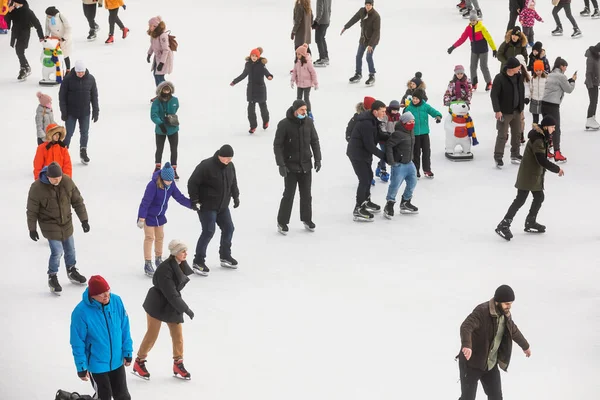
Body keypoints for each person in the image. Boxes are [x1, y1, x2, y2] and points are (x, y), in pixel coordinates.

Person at [456, 285, 531, 399]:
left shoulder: (505, 316)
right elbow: (466, 326)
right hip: (471, 363)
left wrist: (525, 346)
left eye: (510, 303)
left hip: (490, 365)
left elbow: (513, 331)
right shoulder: (481, 311)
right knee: (467, 398)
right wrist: (467, 345)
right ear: (497, 301)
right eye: (506, 303)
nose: (509, 307)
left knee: (496, 397)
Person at [133, 240, 194, 380]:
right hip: (157, 303)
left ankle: (178, 363)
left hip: (171, 304)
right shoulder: (165, 269)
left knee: (177, 335)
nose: (186, 254)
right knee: (152, 334)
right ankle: (139, 362)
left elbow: (173, 294)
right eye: (183, 251)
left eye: (185, 251)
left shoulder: (180, 264)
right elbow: (171, 293)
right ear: (175, 253)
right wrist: (186, 309)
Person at [495, 116, 564, 240]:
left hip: (533, 174)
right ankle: (504, 224)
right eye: (552, 127)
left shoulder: (542, 137)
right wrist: (557, 169)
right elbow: (541, 160)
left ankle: (530, 222)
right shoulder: (538, 139)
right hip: (528, 174)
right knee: (520, 199)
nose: (553, 130)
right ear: (546, 127)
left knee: (539, 197)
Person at [26, 162, 88, 294]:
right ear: (47, 176)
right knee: (57, 251)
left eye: (59, 177)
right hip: (49, 224)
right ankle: (52, 276)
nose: (57, 180)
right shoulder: (37, 187)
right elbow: (31, 211)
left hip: (66, 222)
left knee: (70, 249)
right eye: (54, 178)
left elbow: (77, 201)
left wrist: (84, 220)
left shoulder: (66, 181)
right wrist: (32, 229)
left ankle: (71, 270)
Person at [70, 275, 133, 400]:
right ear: (92, 296)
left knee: (123, 396)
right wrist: (81, 366)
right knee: (104, 397)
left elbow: (124, 328)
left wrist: (127, 351)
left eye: (107, 291)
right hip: (96, 364)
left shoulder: (116, 301)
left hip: (116, 361)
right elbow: (77, 342)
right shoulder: (80, 312)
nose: (106, 295)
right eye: (101, 294)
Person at [187, 145, 240, 276]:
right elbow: (192, 182)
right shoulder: (206, 166)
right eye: (226, 158)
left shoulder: (230, 166)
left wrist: (236, 196)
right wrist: (194, 200)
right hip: (207, 206)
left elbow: (233, 182)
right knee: (208, 232)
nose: (228, 160)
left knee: (229, 228)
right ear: (219, 156)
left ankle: (225, 256)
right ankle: (198, 261)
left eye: (230, 158)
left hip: (222, 206)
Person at [273, 99, 322, 235]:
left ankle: (307, 219)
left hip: (306, 164)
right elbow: (277, 145)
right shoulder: (284, 124)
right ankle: (282, 222)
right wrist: (281, 164)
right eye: (302, 110)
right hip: (290, 166)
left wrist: (318, 159)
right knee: (289, 194)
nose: (304, 112)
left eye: (305, 110)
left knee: (306, 194)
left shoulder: (309, 123)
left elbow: (314, 141)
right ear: (295, 110)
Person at [137, 163, 192, 277]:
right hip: (149, 216)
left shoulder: (171, 185)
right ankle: (147, 262)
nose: (170, 182)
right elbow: (145, 202)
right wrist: (141, 217)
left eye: (171, 180)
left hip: (160, 216)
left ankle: (158, 259)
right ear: (162, 178)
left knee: (160, 237)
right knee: (149, 237)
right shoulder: (153, 185)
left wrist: (192, 205)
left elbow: (179, 197)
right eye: (167, 180)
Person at [346, 98, 387, 221]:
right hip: (357, 154)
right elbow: (370, 145)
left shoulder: (373, 121)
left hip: (364, 154)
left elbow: (378, 135)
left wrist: (392, 136)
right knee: (364, 180)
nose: (384, 113)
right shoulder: (366, 123)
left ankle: (366, 201)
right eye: (382, 111)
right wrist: (385, 157)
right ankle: (358, 208)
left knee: (369, 177)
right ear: (375, 112)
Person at [59, 60, 99, 164]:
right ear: (75, 71)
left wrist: (96, 110)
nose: (80, 74)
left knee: (84, 133)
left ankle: (83, 151)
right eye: (78, 72)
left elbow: (94, 96)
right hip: (71, 112)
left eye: (82, 72)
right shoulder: (68, 79)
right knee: (68, 133)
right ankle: (62, 153)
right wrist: (64, 112)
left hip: (85, 112)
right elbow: (62, 96)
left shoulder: (91, 79)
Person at [448, 11, 496, 91]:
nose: (472, 22)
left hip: (483, 50)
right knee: (472, 67)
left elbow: (489, 38)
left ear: (477, 20)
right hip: (474, 50)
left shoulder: (481, 28)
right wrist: (453, 47)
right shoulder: (468, 29)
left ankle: (489, 82)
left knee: (483, 66)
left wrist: (494, 49)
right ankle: (474, 83)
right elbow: (462, 39)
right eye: (471, 20)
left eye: (474, 20)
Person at [490, 57, 525, 168]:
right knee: (502, 135)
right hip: (504, 112)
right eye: (518, 66)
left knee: (517, 133)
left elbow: (521, 91)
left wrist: (521, 105)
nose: (520, 68)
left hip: (517, 111)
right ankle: (498, 157)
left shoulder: (519, 77)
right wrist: (497, 110)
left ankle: (515, 154)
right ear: (511, 68)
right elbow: (494, 95)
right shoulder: (500, 78)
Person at [383, 112, 419, 219]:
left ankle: (405, 202)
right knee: (395, 185)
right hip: (399, 165)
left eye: (413, 121)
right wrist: (391, 161)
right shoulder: (397, 134)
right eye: (409, 122)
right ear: (403, 122)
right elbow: (389, 146)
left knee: (413, 182)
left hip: (409, 163)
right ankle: (389, 204)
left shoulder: (411, 131)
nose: (412, 123)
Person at [231, 47, 274, 134]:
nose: (254, 57)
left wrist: (269, 76)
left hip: (260, 89)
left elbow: (266, 72)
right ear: (250, 56)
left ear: (258, 57)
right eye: (252, 56)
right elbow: (243, 75)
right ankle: (253, 126)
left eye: (255, 56)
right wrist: (234, 81)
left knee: (263, 108)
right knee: (250, 110)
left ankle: (266, 121)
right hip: (251, 90)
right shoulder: (248, 65)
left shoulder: (261, 65)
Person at [541, 57, 576, 162]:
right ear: (561, 66)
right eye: (565, 67)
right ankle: (557, 153)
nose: (565, 69)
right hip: (553, 106)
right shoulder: (561, 76)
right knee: (555, 129)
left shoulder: (550, 74)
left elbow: (559, 86)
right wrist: (573, 81)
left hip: (544, 104)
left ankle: (546, 150)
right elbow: (568, 89)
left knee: (546, 128)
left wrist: (568, 80)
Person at [404, 89, 442, 178]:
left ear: (420, 99)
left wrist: (438, 116)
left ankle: (427, 170)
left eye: (417, 99)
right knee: (416, 153)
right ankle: (416, 171)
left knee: (426, 152)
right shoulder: (409, 108)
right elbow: (404, 119)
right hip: (415, 134)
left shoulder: (425, 106)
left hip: (425, 133)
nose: (415, 100)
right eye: (413, 98)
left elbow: (434, 111)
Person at [341, 0, 381, 86]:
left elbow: (376, 32)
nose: (368, 7)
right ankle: (358, 74)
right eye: (366, 5)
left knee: (368, 57)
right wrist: (346, 27)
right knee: (358, 56)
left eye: (369, 5)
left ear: (372, 5)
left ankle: (372, 75)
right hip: (363, 39)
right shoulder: (361, 11)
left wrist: (370, 44)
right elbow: (354, 19)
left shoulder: (376, 16)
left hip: (373, 40)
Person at [4, 0, 44, 81]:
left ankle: (24, 68)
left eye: (16, 3)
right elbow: (6, 24)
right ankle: (25, 67)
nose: (14, 4)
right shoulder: (14, 11)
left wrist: (41, 36)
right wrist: (8, 12)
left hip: (24, 34)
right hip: (15, 33)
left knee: (19, 50)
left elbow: (37, 24)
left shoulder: (28, 12)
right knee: (18, 50)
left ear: (20, 3)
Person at [151, 81, 180, 177]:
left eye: (168, 89)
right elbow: (153, 115)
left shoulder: (175, 100)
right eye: (164, 89)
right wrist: (160, 123)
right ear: (161, 90)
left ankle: (173, 168)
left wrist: (170, 118)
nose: (167, 91)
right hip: (160, 129)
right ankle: (157, 166)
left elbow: (175, 110)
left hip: (173, 129)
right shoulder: (156, 102)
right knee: (159, 148)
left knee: (174, 149)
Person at [291, 44, 319, 119]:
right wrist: (292, 80)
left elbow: (313, 73)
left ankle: (309, 112)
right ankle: (297, 112)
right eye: (297, 54)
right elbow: (294, 72)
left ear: (303, 54)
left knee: (306, 98)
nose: (297, 55)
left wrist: (315, 83)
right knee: (298, 98)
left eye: (299, 54)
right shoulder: (297, 62)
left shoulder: (308, 63)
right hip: (299, 84)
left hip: (307, 84)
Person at [147, 16, 173, 87]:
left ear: (156, 26)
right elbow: (152, 45)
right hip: (158, 58)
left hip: (164, 58)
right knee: (155, 75)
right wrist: (149, 54)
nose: (150, 27)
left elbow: (166, 50)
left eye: (152, 26)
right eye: (149, 26)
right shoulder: (154, 35)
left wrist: (161, 63)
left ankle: (167, 92)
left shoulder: (163, 36)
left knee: (159, 76)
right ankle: (160, 93)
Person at [44, 7, 72, 71]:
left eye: (48, 15)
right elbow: (47, 27)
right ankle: (58, 69)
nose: (47, 16)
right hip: (55, 39)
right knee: (56, 55)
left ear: (52, 14)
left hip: (64, 39)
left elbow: (68, 28)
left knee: (65, 55)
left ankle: (68, 70)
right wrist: (47, 35)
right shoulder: (48, 18)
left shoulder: (61, 16)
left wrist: (64, 38)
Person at [584, 42, 600, 130]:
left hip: (595, 82)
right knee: (593, 101)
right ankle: (589, 119)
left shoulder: (597, 56)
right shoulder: (591, 57)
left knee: (595, 101)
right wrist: (590, 85)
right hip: (591, 83)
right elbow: (588, 72)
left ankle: (592, 119)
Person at [312, 0, 331, 67]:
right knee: (322, 38)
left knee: (318, 39)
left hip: (321, 22)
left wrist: (316, 21)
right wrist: (328, 19)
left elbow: (320, 10)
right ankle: (325, 57)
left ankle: (322, 58)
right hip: (326, 21)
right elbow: (329, 9)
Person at [528, 60, 547, 125]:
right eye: (536, 70)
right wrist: (529, 98)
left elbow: (548, 90)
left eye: (540, 70)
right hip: (534, 101)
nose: (538, 72)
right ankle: (535, 132)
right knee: (535, 120)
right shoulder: (532, 79)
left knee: (545, 118)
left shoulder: (546, 79)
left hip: (543, 101)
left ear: (542, 69)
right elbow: (530, 89)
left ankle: (545, 132)